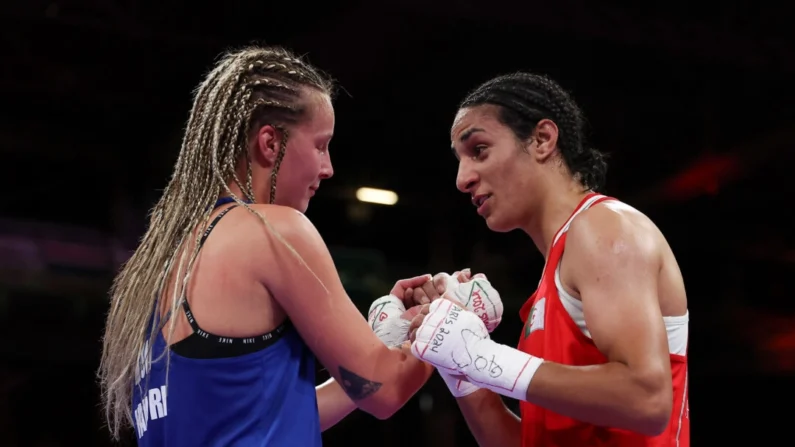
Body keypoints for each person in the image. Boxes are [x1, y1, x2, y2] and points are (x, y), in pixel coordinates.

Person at [97, 44, 451, 446]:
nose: (328, 167)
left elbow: (264, 415)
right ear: (270, 143)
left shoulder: (164, 267)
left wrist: (385, 345)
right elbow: (385, 392)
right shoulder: (274, 230)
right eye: (320, 145)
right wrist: (448, 322)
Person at [408, 72, 690, 446]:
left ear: (542, 140)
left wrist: (480, 354)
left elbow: (648, 401)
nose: (462, 178)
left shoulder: (605, 228)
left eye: (479, 150)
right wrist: (457, 361)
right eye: (459, 159)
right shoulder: (553, 279)